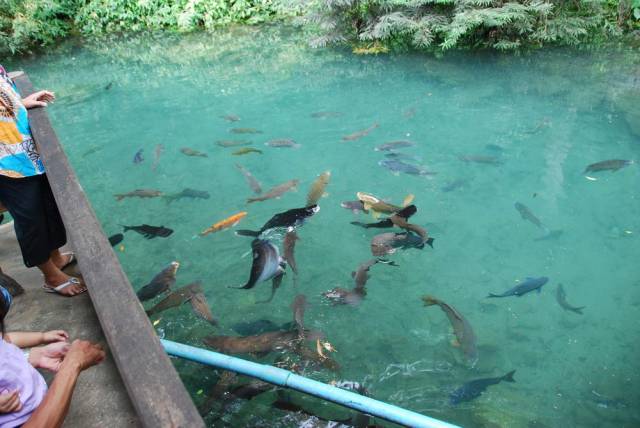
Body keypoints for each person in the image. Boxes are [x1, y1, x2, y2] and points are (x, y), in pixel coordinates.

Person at [0, 65, 85, 296]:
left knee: (48, 207)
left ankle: (55, 257)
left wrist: (20, 104)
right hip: (6, 165)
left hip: (27, 152)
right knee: (31, 219)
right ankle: (50, 275)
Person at [0, 285, 105, 427]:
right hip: (18, 420)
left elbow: (6, 341)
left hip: (35, 401)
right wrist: (72, 365)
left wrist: (34, 354)